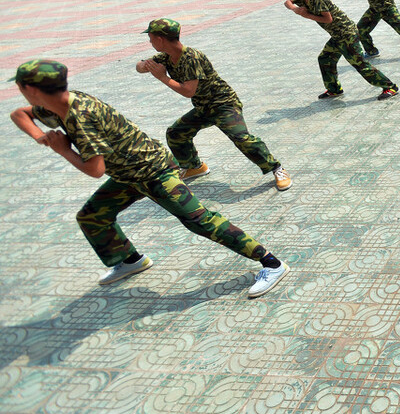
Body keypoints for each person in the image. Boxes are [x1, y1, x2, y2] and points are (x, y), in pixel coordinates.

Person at [9, 59, 289, 297]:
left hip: (154, 171)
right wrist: (41, 136)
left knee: (200, 221)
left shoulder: (81, 115)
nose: (21, 94)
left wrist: (61, 149)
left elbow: (94, 170)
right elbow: (18, 114)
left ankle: (272, 263)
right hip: (128, 174)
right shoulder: (58, 104)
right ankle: (131, 260)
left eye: (21, 87)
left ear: (31, 89)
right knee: (92, 215)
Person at [136, 18, 291, 191]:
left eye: (150, 38)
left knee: (241, 138)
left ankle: (277, 168)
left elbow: (188, 91)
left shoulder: (191, 58)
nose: (149, 42)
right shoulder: (166, 57)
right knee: (176, 133)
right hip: (204, 107)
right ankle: (195, 167)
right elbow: (138, 66)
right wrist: (145, 65)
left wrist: (163, 78)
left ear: (160, 39)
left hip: (224, 104)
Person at [282, 0, 399, 100]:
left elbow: (328, 19)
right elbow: (287, 2)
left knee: (360, 64)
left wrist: (306, 15)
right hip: (337, 35)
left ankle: (390, 87)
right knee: (325, 59)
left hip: (346, 34)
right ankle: (334, 89)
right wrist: (295, 9)